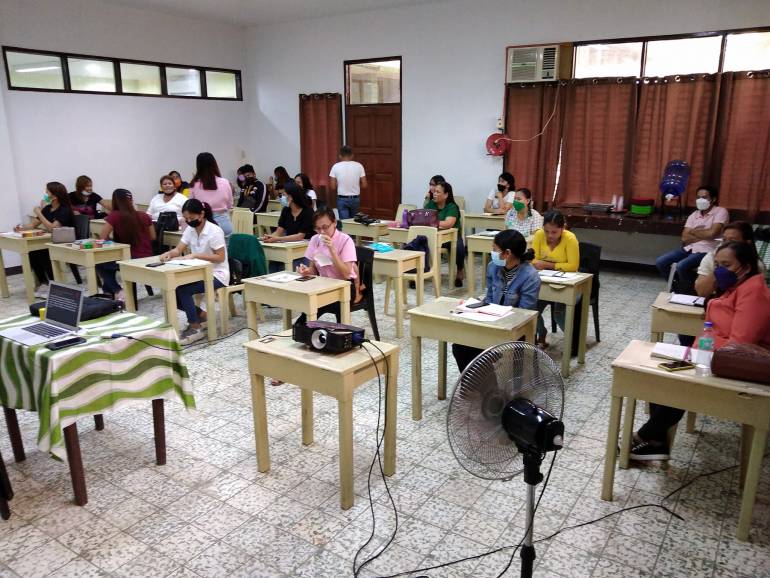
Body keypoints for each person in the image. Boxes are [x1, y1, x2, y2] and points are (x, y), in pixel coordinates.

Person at [631, 240, 770, 461]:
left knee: (678, 383)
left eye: (726, 264)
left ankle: (646, 435)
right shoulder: (734, 286)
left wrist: (702, 352)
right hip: (710, 355)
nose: (719, 270)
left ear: (745, 266)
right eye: (717, 264)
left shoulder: (753, 292)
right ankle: (656, 440)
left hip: (736, 365)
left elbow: (740, 345)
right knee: (661, 373)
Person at [452, 230, 541, 371]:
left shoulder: (530, 276)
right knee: (460, 346)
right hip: (492, 324)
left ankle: (485, 388)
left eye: (494, 249)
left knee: (481, 354)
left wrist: (497, 321)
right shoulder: (492, 267)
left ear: (507, 253)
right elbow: (489, 300)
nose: (491, 252)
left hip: (517, 331)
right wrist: (472, 307)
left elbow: (524, 314)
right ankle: (483, 389)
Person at [159, 199, 229, 345]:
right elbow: (179, 249)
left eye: (192, 218)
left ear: (202, 214)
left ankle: (195, 327)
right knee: (172, 289)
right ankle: (202, 315)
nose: (189, 221)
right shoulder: (190, 230)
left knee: (183, 290)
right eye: (186, 219)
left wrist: (196, 255)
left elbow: (220, 257)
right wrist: (169, 254)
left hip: (217, 273)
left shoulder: (214, 231)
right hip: (197, 272)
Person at [655, 185, 728, 294]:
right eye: (698, 197)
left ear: (713, 199)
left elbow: (713, 233)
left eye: (704, 197)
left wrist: (693, 232)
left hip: (708, 250)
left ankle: (693, 292)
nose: (700, 200)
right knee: (661, 262)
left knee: (681, 266)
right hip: (689, 248)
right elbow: (685, 238)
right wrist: (705, 234)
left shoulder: (720, 211)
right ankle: (678, 290)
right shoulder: (694, 215)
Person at [297, 209, 359, 320]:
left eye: (325, 227)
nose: (322, 232)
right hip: (323, 286)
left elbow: (346, 274)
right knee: (303, 323)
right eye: (318, 228)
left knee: (340, 329)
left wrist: (332, 250)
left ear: (334, 223)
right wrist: (307, 271)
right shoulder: (315, 240)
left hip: (344, 287)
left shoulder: (345, 240)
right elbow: (313, 269)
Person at [14, 182, 74, 297]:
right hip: (51, 241)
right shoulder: (48, 208)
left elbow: (53, 228)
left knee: (43, 253)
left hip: (64, 241)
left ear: (55, 196)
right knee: (32, 252)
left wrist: (39, 213)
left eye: (47, 191)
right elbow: (33, 224)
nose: (45, 194)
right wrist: (20, 228)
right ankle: (43, 283)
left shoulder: (64, 209)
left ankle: (54, 284)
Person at [532, 210, 580, 348]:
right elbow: (533, 260)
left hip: (566, 285)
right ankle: (541, 332)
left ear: (562, 228)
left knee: (558, 315)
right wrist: (556, 266)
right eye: (547, 231)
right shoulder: (539, 235)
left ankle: (573, 343)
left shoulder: (570, 238)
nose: (549, 235)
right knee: (530, 309)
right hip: (544, 283)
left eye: (554, 232)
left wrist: (546, 264)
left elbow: (572, 266)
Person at [96, 189, 155, 300]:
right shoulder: (144, 215)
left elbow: (102, 238)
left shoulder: (114, 216)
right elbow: (153, 237)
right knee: (109, 265)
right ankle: (109, 292)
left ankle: (117, 290)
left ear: (115, 201)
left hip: (128, 258)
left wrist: (114, 240)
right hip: (148, 256)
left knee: (99, 263)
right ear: (131, 200)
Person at [695, 221, 765, 298]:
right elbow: (701, 292)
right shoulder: (711, 257)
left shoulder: (756, 265)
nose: (726, 244)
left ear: (747, 243)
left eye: (733, 241)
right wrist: (718, 269)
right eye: (724, 240)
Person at [262, 182, 314, 272]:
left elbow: (300, 236)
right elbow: (279, 231)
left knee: (287, 268)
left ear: (292, 197)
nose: (281, 198)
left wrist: (277, 239)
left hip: (304, 249)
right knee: (274, 263)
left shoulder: (308, 212)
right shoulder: (286, 210)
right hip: (288, 245)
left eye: (283, 195)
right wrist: (270, 237)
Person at [425, 181, 466, 287]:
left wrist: (432, 222)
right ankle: (419, 273)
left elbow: (448, 223)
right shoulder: (431, 204)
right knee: (418, 243)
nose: (434, 193)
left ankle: (460, 270)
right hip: (434, 236)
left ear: (446, 194)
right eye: (434, 191)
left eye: (438, 192)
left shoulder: (452, 206)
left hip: (450, 238)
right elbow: (424, 218)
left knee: (459, 248)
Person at [189, 152, 234, 239]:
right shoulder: (225, 182)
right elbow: (230, 205)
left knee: (205, 252)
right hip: (224, 222)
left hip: (204, 224)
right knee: (226, 251)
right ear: (214, 164)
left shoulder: (194, 184)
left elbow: (191, 206)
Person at [329, 146, 367, 219]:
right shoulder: (359, 166)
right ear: (352, 155)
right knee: (354, 223)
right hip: (355, 198)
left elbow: (332, 187)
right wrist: (355, 185)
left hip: (342, 199)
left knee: (345, 224)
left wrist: (340, 184)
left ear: (340, 156)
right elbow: (364, 185)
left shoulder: (335, 166)